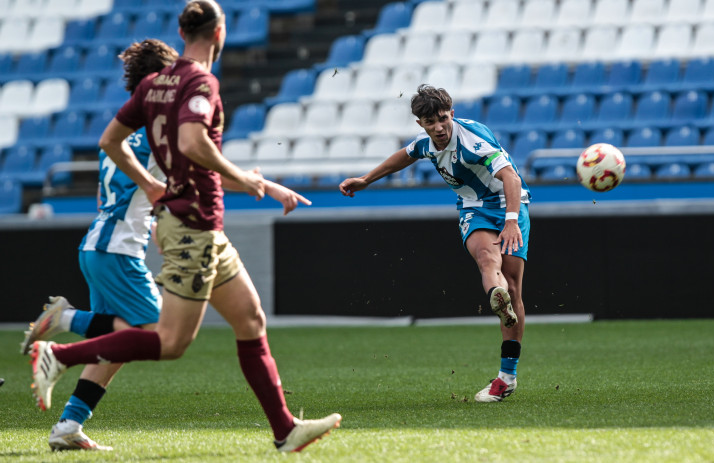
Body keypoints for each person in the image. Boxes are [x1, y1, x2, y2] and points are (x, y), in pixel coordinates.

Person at [28, 0, 341, 453]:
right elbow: (195, 143)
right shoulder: (199, 81)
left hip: (200, 226)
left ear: (181, 31)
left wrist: (155, 187)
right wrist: (243, 178)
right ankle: (58, 355)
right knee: (169, 340)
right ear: (220, 32)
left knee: (251, 319)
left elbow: (109, 141)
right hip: (192, 225)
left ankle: (285, 429)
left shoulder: (155, 84)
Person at [20, 39, 180, 451]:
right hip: (118, 251)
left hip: (99, 244)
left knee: (116, 348)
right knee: (157, 331)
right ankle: (64, 323)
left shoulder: (121, 130)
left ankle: (68, 426)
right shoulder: (157, 133)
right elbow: (172, 188)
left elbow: (108, 195)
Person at [339, 84, 531, 403]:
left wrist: (511, 220)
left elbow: (510, 177)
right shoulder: (427, 143)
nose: (439, 128)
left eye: (443, 119)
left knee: (514, 286)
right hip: (474, 208)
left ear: (451, 114)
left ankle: (507, 376)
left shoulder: (472, 141)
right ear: (421, 124)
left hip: (510, 204)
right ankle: (497, 297)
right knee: (486, 258)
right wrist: (365, 180)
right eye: (431, 122)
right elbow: (404, 156)